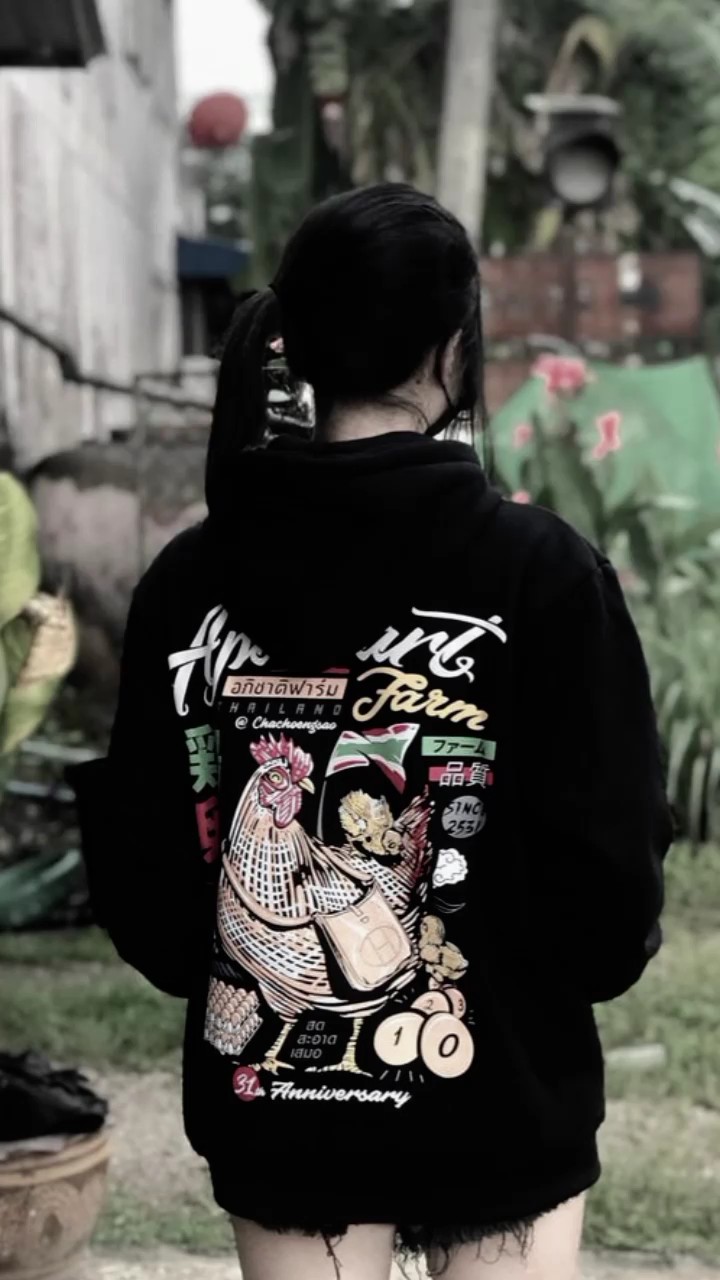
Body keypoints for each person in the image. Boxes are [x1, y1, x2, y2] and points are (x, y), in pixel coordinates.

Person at [70, 184, 672, 1280]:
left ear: (293, 346)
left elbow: (151, 889)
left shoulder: (188, 582)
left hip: (279, 1117)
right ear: (453, 350)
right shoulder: (543, 574)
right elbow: (609, 890)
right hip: (507, 1106)